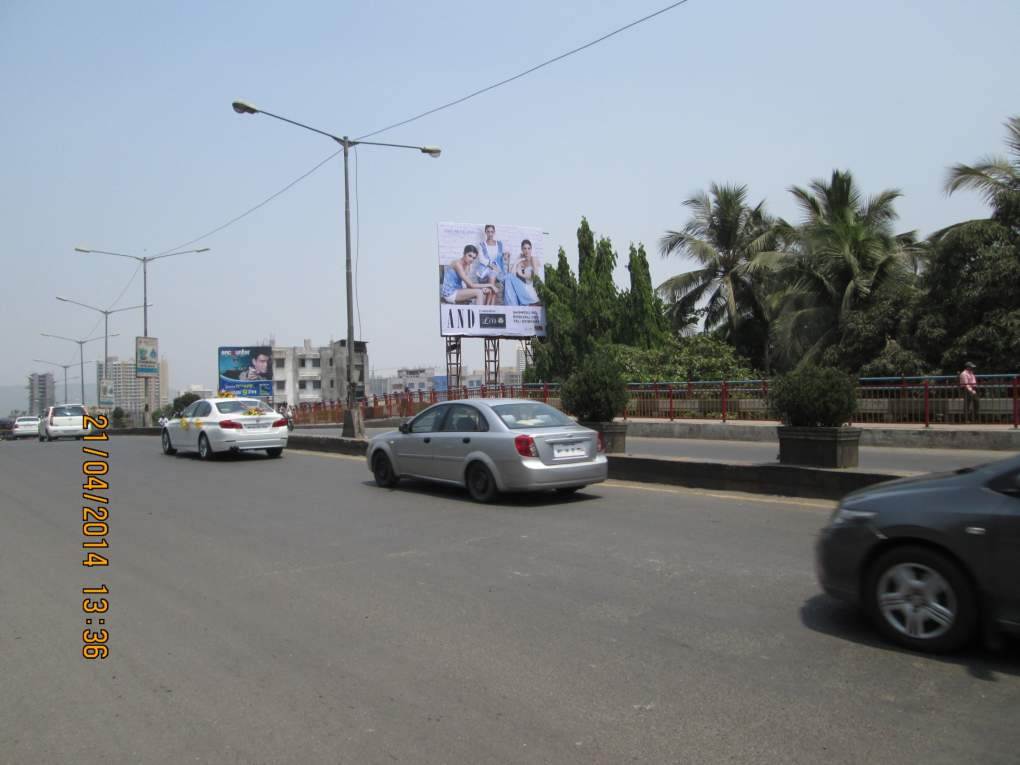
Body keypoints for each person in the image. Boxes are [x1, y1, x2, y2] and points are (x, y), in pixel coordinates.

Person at [503, 239, 541, 306]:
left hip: (533, 290)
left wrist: (521, 275)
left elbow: (536, 277)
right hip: (526, 288)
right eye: (525, 248)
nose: (527, 251)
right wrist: (517, 261)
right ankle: (512, 306)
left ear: (531, 249)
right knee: (508, 278)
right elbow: (512, 274)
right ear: (522, 250)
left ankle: (514, 305)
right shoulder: (522, 262)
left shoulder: (533, 259)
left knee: (508, 277)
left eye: (529, 248)